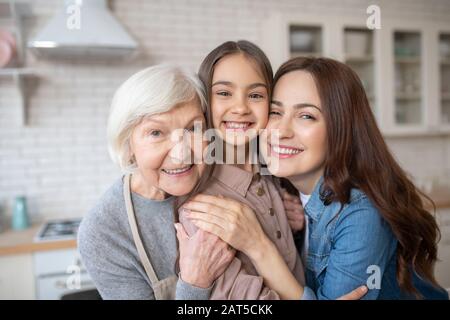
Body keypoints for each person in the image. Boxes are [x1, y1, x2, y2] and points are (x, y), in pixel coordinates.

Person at [183, 57, 449, 299]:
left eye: (306, 116)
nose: (281, 131)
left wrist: (257, 245)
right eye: (276, 112)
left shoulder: (360, 212)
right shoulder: (280, 193)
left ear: (340, 129)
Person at [77, 64, 235, 299]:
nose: (182, 153)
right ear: (127, 144)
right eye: (156, 133)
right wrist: (195, 282)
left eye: (193, 128)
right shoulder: (103, 232)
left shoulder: (222, 177)